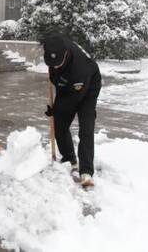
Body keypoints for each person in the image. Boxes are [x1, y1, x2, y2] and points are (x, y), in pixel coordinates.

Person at [43, 34, 102, 187]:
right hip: (68, 85)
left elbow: (72, 99)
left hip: (87, 88)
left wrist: (56, 108)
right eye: (51, 64)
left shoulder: (80, 67)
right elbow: (60, 85)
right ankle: (70, 159)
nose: (54, 66)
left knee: (86, 127)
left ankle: (86, 170)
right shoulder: (54, 47)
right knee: (59, 125)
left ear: (66, 55)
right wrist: (56, 110)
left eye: (57, 64)